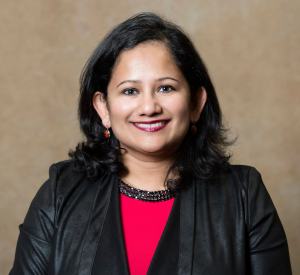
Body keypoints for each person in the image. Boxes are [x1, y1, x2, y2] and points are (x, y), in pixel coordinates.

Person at [10, 12, 292, 275]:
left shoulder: (244, 195)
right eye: (130, 90)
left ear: (196, 103)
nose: (148, 107)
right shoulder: (60, 191)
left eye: (166, 88)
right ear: (103, 108)